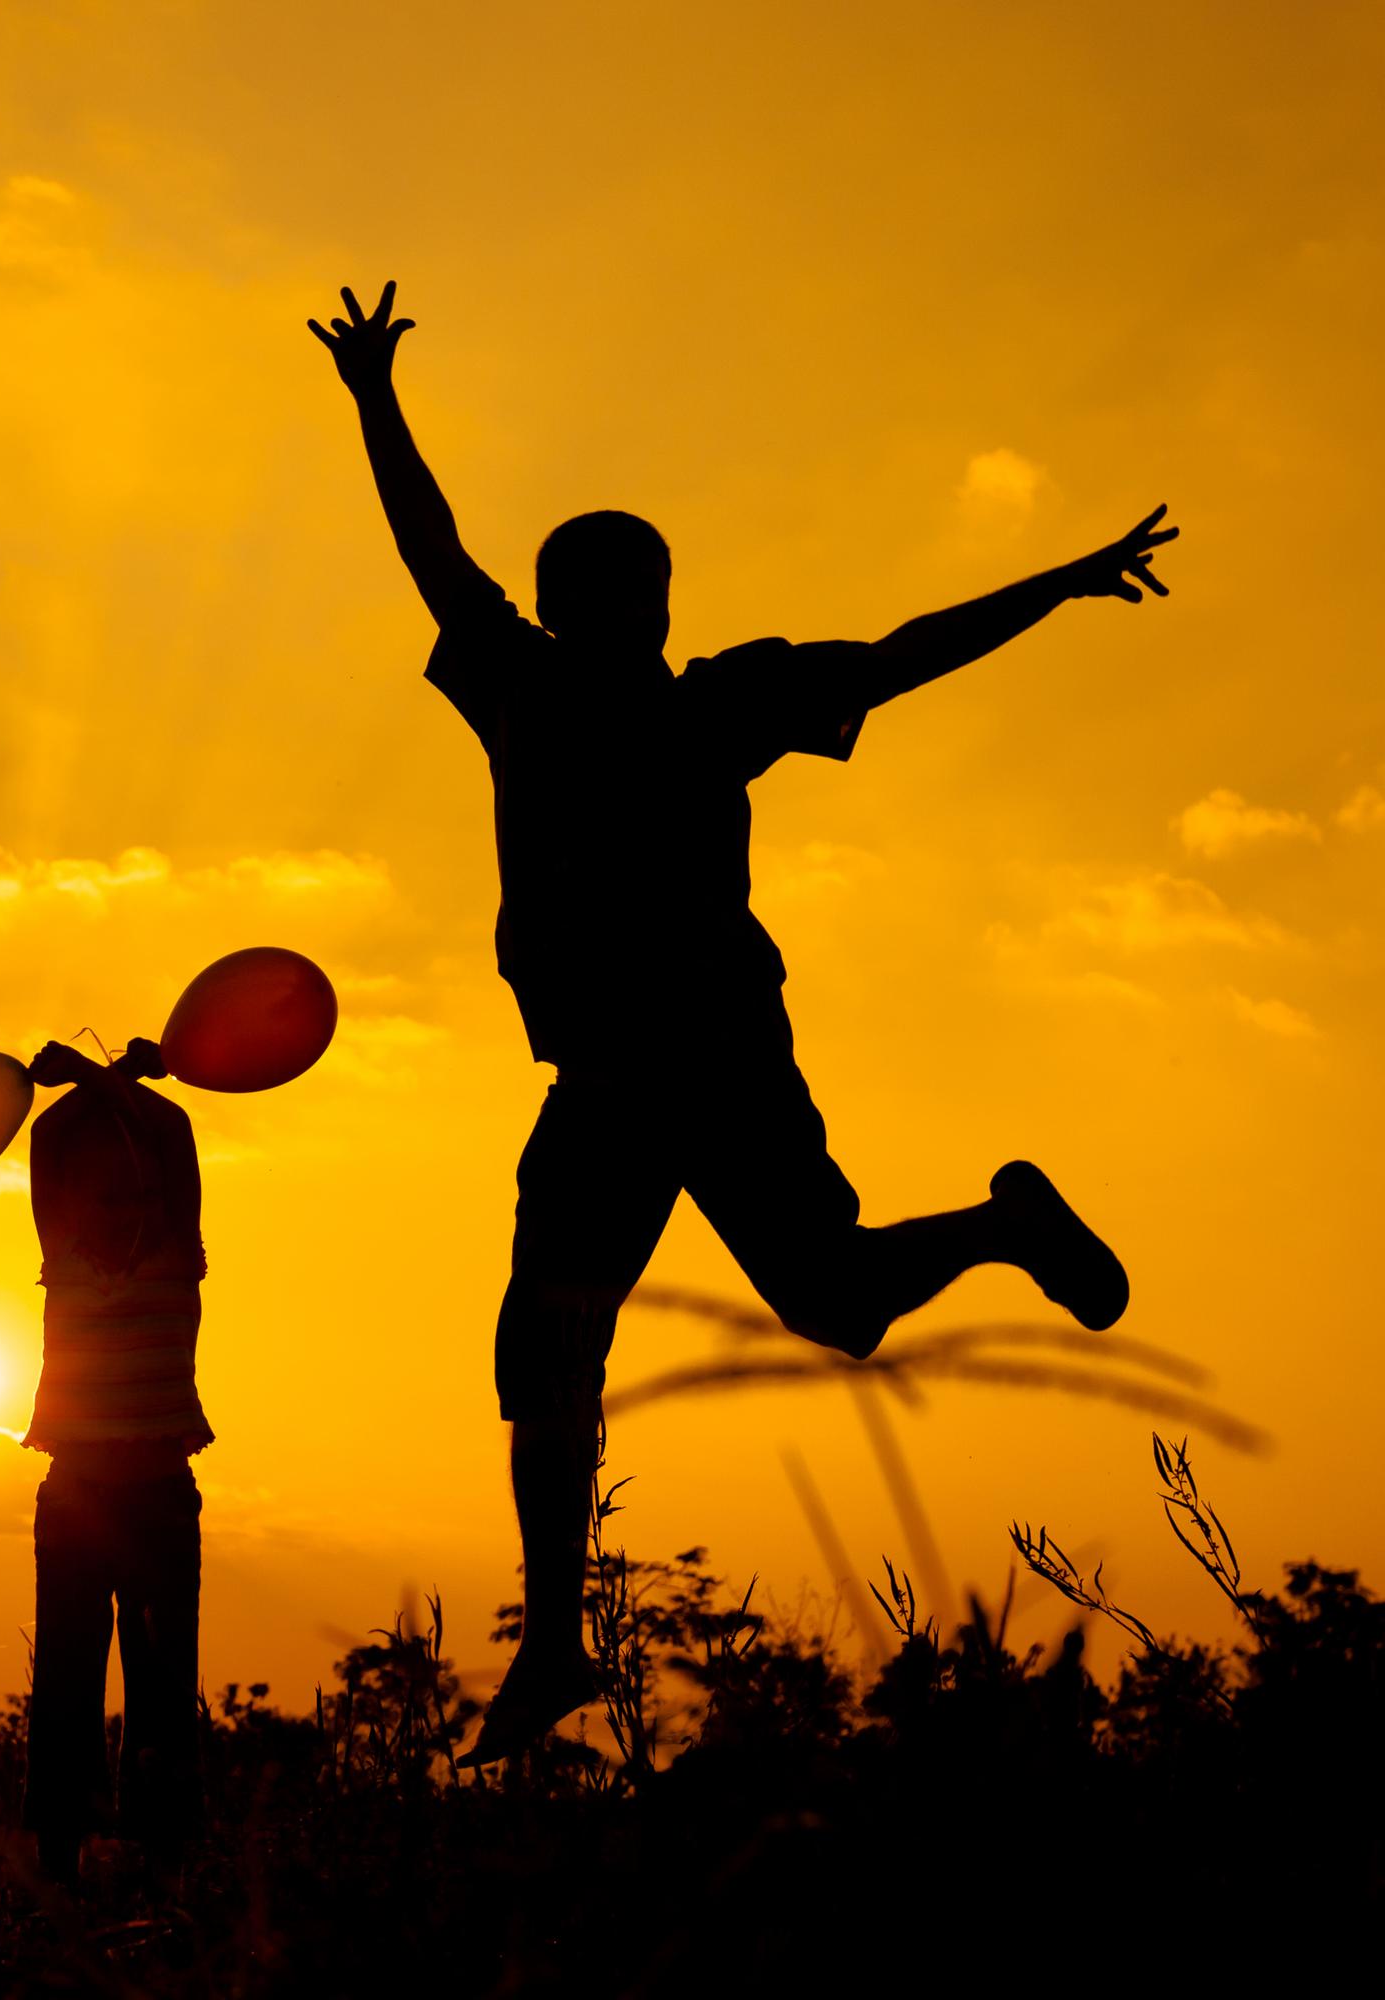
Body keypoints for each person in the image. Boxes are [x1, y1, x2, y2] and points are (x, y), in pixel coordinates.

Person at [308, 277, 1168, 1765]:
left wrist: (374, 399)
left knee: (652, 1335)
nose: (600, 612)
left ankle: (1002, 1231)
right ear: (624, 604)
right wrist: (1063, 580)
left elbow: (436, 555)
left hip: (682, 1062)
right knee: (668, 1330)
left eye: (600, 595)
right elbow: (903, 648)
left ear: (612, 608)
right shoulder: (643, 693)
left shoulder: (624, 694)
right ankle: (560, 1643)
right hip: (651, 1070)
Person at [20, 1036, 210, 1883]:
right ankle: (61, 1852)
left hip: (160, 1498)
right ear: (73, 1201)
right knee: (65, 1676)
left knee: (165, 1679)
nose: (119, 1199)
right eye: (100, 1189)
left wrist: (112, 1077)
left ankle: (163, 1852)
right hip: (77, 1498)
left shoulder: (181, 1258)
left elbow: (172, 1132)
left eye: (134, 1187)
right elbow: (49, 1141)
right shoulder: (62, 1262)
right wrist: (102, 1084)